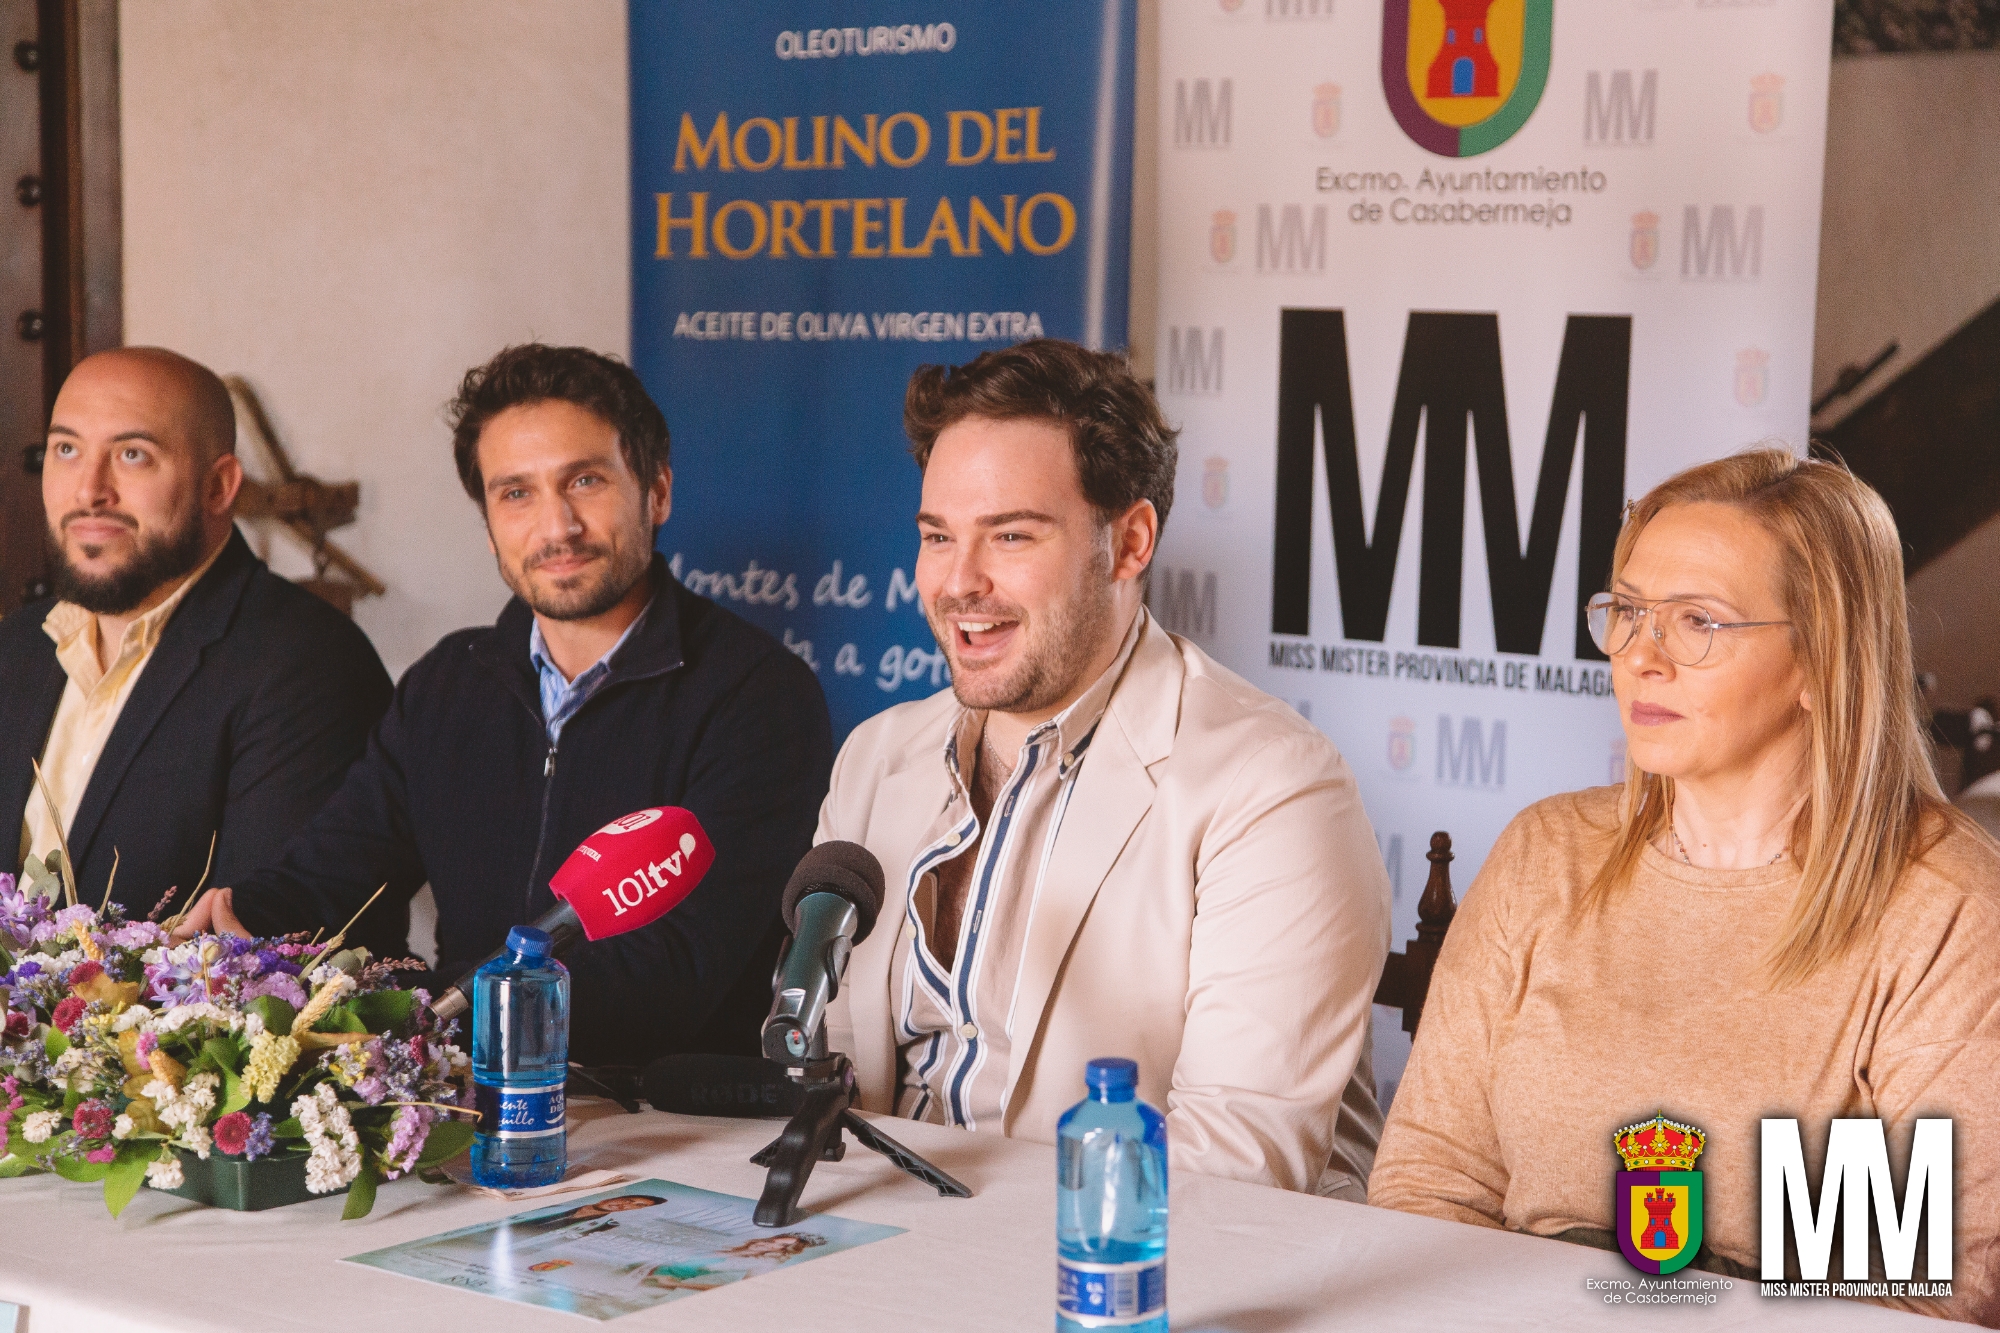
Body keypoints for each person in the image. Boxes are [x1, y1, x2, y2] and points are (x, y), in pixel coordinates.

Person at [1369, 450, 2000, 1323]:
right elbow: (1431, 1180)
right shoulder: (1545, 852)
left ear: (1824, 661)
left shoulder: (1939, 905)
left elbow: (1922, 1299)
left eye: (1698, 621)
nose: (1641, 657)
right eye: (1627, 612)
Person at [819, 339, 1391, 1197]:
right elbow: (819, 1071)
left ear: (1129, 543)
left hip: (1120, 1276)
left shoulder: (1273, 786)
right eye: (939, 536)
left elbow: (1236, 1169)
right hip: (868, 1246)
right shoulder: (875, 756)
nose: (957, 582)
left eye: (1010, 535)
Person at [175, 344, 832, 1064]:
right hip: (464, 1104)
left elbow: (674, 976)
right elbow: (332, 876)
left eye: (584, 480)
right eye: (516, 493)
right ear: (489, 524)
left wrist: (415, 1010)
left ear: (659, 492)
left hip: (663, 1132)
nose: (557, 528)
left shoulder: (758, 695)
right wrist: (236, 925)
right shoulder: (448, 684)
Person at [0, 347, 390, 912]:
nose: (88, 491)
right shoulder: (16, 649)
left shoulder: (310, 666)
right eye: (66, 449)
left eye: (132, 455)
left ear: (219, 487)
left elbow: (260, 965)